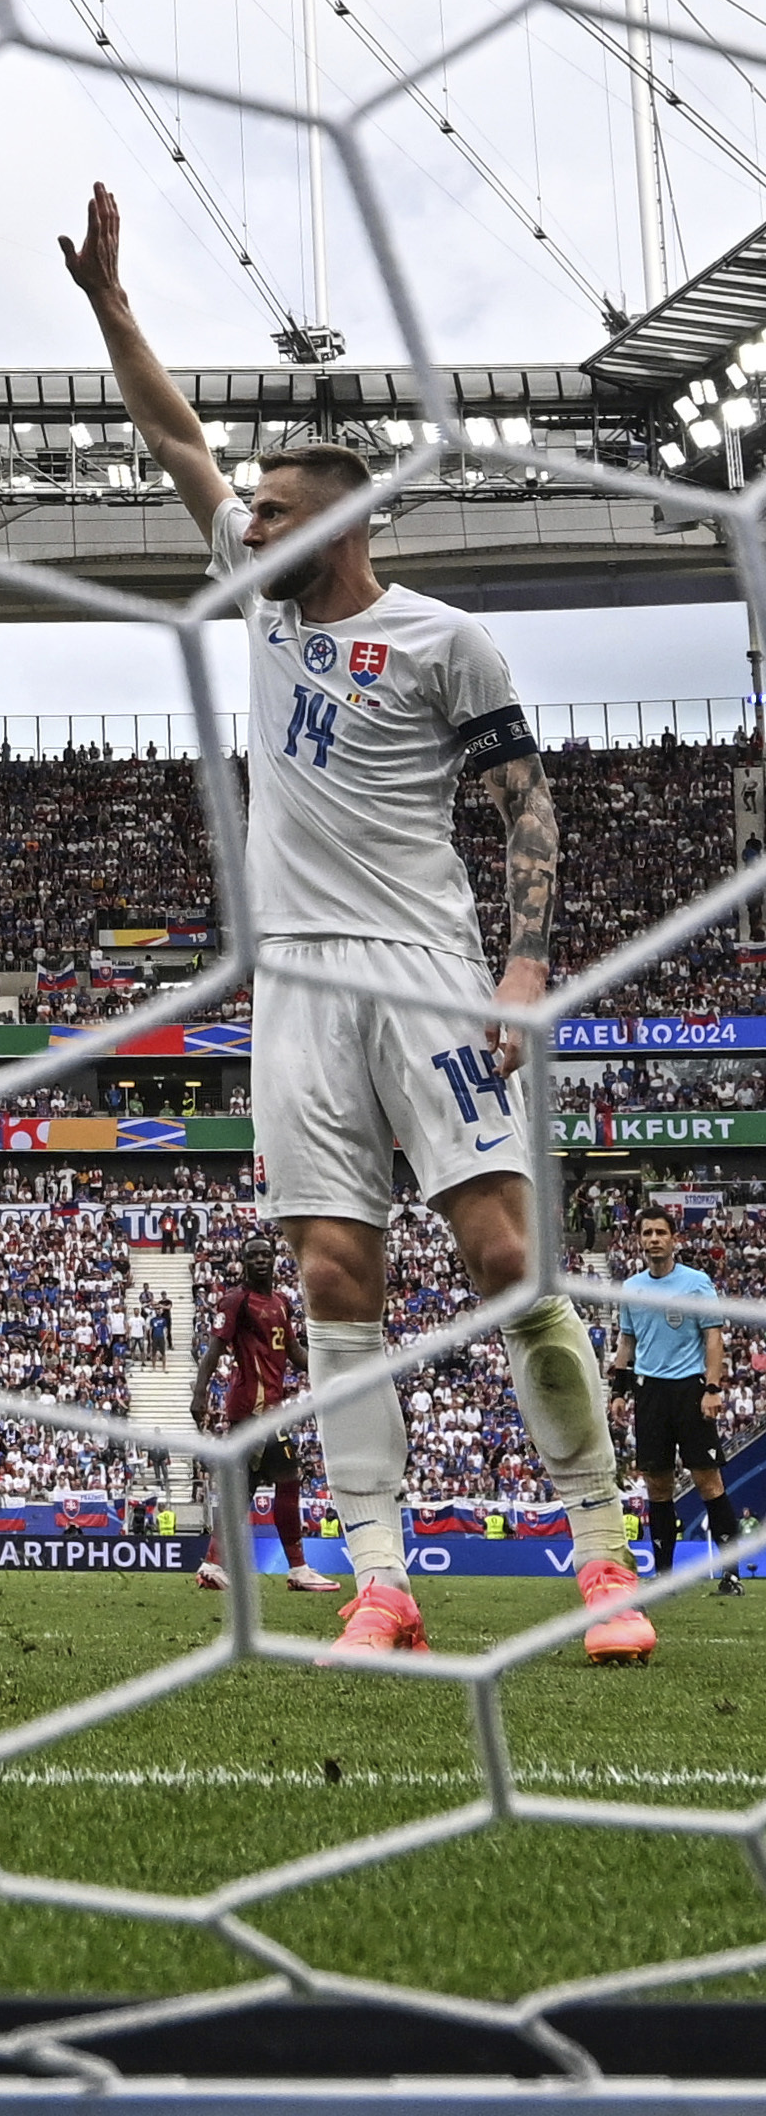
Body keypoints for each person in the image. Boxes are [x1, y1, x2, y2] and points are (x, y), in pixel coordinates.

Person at [62, 179, 638, 1661]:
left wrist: (521, 967)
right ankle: (383, 1582)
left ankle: (599, 1556)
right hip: (298, 989)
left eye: (272, 512)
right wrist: (116, 313)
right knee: (334, 1277)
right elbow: (179, 441)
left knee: (508, 1261)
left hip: (430, 975)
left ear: (347, 527)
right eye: (246, 509)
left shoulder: (447, 640)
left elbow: (526, 806)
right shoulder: (257, 604)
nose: (243, 521)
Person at [190, 1231, 336, 1594]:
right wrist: (199, 1393)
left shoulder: (282, 1303)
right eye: (253, 1256)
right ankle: (299, 1569)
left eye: (265, 1255)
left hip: (270, 1406)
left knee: (244, 1489)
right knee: (289, 1476)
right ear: (243, 1261)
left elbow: (298, 1357)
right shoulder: (236, 1302)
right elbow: (214, 1350)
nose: (260, 1261)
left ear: (274, 1259)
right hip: (252, 1408)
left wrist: (331, 1360)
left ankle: (213, 1564)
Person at [608, 1201, 742, 1593]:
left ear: (674, 1238)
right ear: (640, 1240)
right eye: (647, 1233)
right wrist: (619, 1388)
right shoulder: (632, 1288)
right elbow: (627, 1339)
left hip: (690, 1389)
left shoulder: (696, 1283)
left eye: (660, 1232)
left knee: (708, 1482)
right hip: (649, 1393)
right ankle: (664, 1577)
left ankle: (731, 1573)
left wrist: (713, 1388)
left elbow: (712, 1336)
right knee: (658, 1486)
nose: (653, 1239)